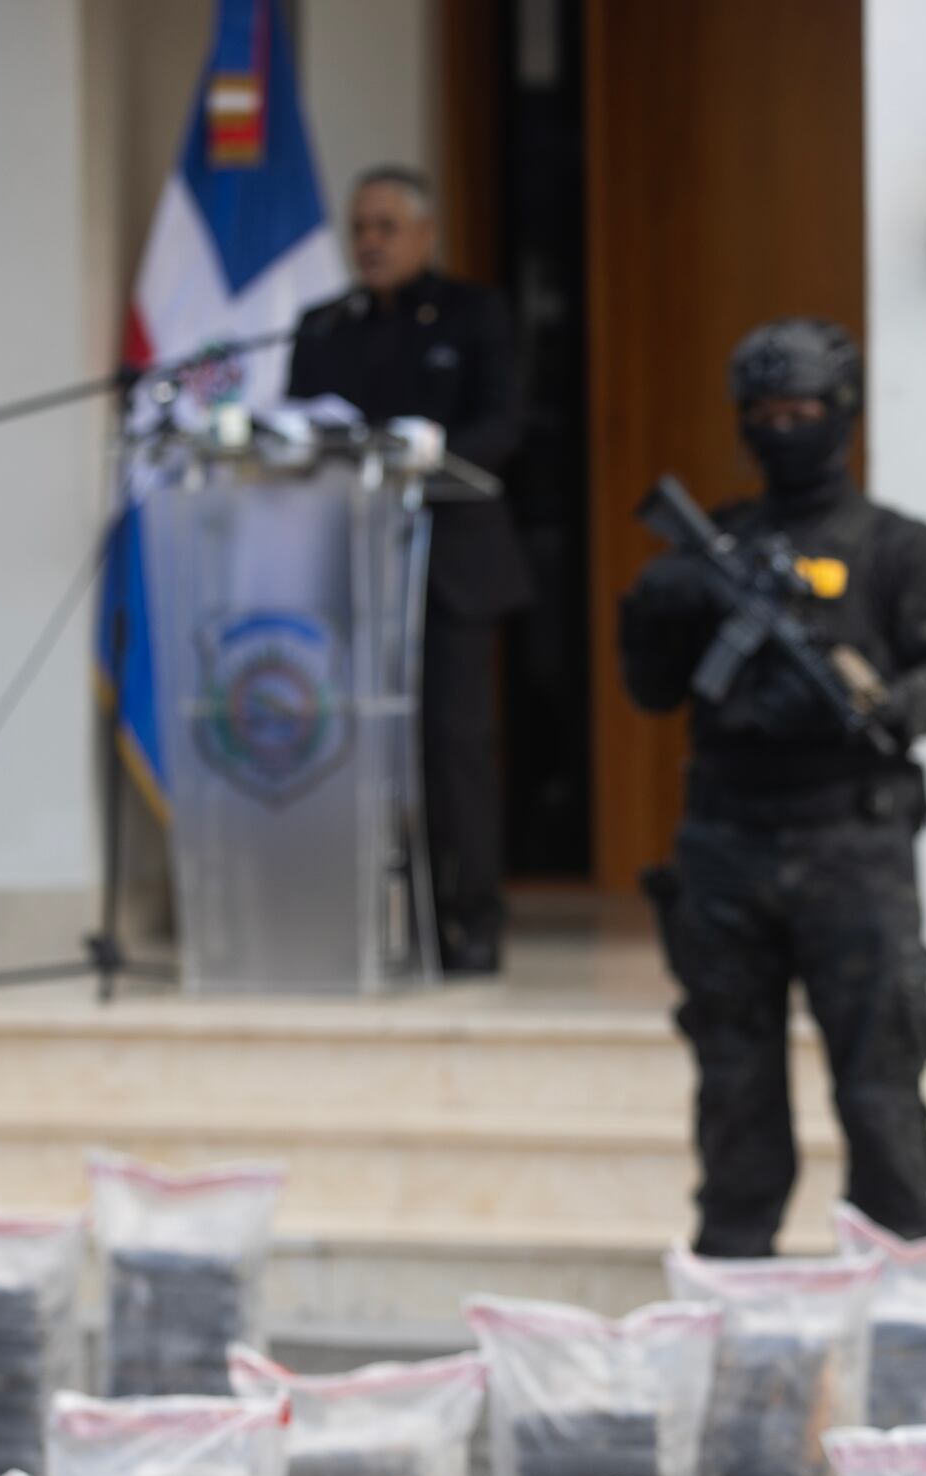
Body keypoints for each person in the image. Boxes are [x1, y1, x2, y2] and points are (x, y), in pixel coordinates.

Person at [618, 317, 926, 1256]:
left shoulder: (899, 547)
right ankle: (738, 1271)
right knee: (735, 1077)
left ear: (843, 416)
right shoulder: (719, 545)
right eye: (767, 413)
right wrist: (656, 611)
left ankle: (900, 1262)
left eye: (805, 411)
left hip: (852, 845)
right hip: (727, 841)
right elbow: (652, 689)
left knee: (880, 1079)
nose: (785, 429)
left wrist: (883, 703)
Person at [289, 164, 528, 975]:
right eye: (360, 227)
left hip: (448, 561)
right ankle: (366, 913)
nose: (371, 243)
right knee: (347, 741)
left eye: (388, 227)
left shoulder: (473, 314)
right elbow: (303, 428)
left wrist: (431, 458)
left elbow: (505, 423)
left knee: (450, 744)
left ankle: (470, 918)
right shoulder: (324, 325)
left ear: (427, 234)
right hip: (352, 562)